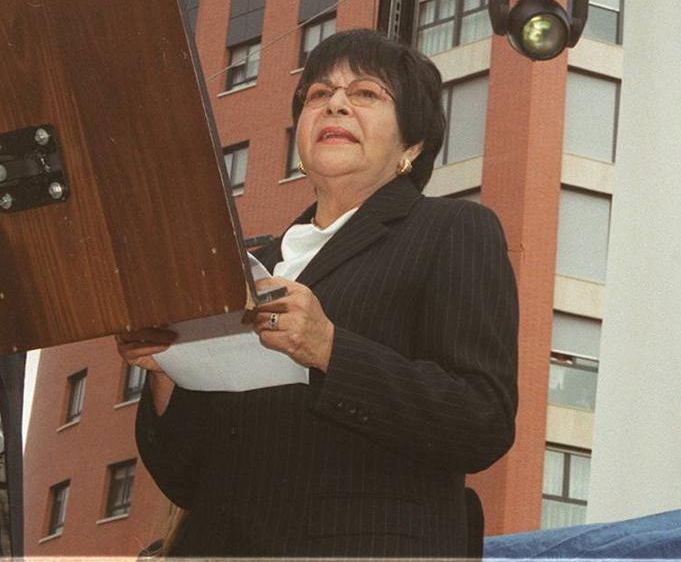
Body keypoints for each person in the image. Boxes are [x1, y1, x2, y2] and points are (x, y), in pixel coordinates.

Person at [116, 28, 518, 558]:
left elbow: (481, 420)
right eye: (317, 95)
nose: (335, 105)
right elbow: (185, 479)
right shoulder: (252, 263)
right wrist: (169, 368)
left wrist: (329, 348)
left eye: (366, 93)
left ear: (413, 144)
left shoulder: (453, 229)